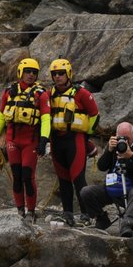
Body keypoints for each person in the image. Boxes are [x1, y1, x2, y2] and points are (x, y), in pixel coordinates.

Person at [0, 58, 51, 220]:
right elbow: (2, 115)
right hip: (12, 141)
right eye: (28, 71)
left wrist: (44, 139)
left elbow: (45, 119)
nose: (31, 75)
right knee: (16, 176)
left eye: (34, 72)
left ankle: (31, 211)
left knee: (27, 177)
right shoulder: (9, 92)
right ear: (20, 73)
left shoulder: (41, 94)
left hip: (30, 142)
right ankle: (20, 210)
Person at [44, 57, 98, 226]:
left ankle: (86, 214)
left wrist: (87, 136)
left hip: (75, 139)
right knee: (63, 179)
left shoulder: (81, 93)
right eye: (55, 74)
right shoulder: (49, 94)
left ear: (68, 74)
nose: (58, 77)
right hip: (57, 141)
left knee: (78, 178)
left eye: (61, 73)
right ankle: (68, 213)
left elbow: (95, 115)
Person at [77, 122, 133, 238]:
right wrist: (109, 150)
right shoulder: (114, 147)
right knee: (86, 191)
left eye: (127, 138)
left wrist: (131, 155)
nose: (124, 141)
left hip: (130, 190)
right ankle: (102, 218)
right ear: (116, 136)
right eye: (121, 138)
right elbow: (101, 166)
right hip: (110, 188)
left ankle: (127, 224)